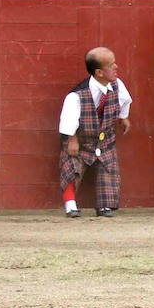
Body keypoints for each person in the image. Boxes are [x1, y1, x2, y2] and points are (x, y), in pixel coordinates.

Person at [58, 47, 131, 218]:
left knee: (108, 167)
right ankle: (70, 204)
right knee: (72, 166)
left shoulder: (117, 85)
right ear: (99, 72)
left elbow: (125, 101)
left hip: (104, 139)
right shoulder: (76, 95)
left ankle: (105, 206)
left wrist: (123, 117)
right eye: (111, 65)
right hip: (81, 140)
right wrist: (72, 139)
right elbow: (69, 119)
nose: (116, 67)